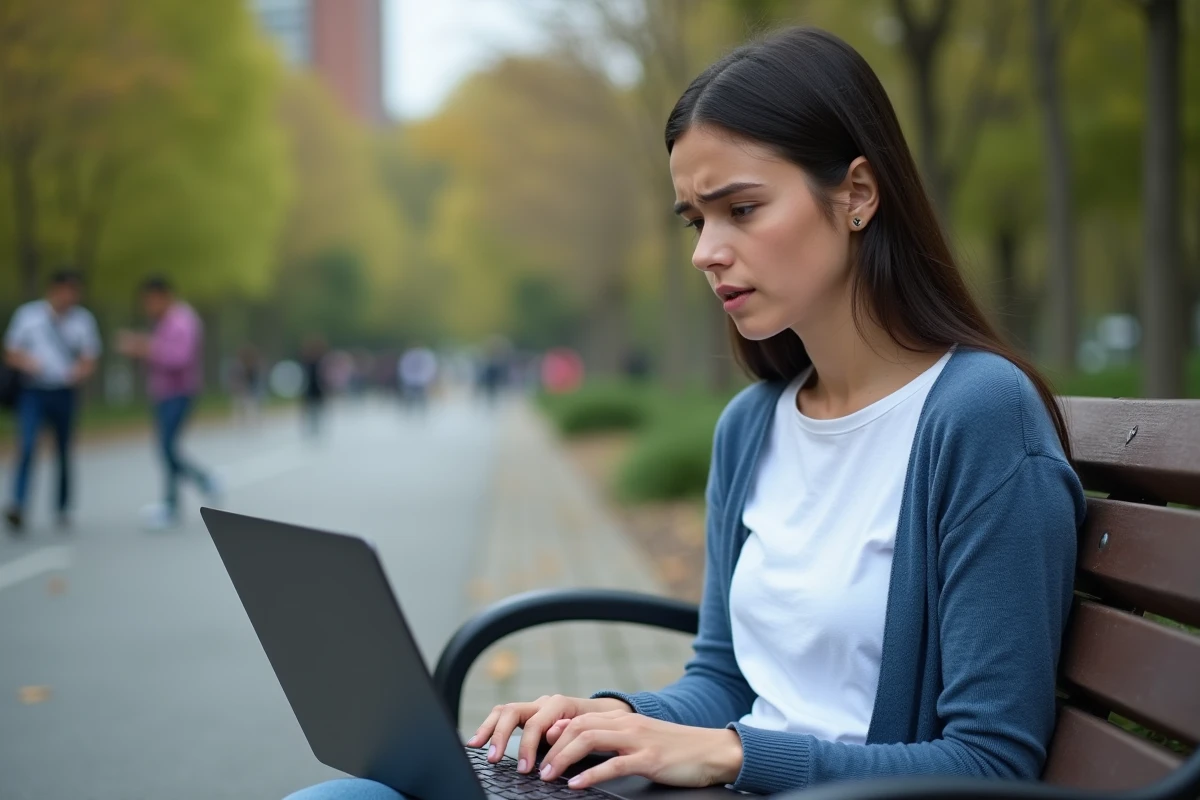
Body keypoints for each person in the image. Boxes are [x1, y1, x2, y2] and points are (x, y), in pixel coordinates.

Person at [286, 27, 1085, 799]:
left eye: (740, 209)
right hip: (726, 786)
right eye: (696, 220)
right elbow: (726, 679)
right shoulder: (753, 425)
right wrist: (610, 720)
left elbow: (989, 763)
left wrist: (729, 755)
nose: (706, 251)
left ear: (858, 195)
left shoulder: (980, 418)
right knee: (352, 794)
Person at [118, 276, 220, 530]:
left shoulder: (182, 321)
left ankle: (198, 484)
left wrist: (145, 348)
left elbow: (180, 358)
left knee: (166, 447)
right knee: (167, 448)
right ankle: (180, 498)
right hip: (163, 393)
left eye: (150, 300)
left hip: (180, 392)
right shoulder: (163, 322)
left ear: (163, 296)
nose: (148, 306)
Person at [3, 269, 101, 533]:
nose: (70, 296)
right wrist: (29, 362)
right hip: (33, 390)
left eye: (75, 291)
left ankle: (62, 507)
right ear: (53, 290)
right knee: (27, 445)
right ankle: (18, 505)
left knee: (63, 450)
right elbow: (11, 351)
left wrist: (79, 371)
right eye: (66, 290)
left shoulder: (83, 320)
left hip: (64, 391)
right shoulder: (29, 316)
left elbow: (90, 357)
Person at [299, 335, 328, 438]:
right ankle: (310, 428)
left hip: (317, 389)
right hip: (308, 388)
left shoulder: (321, 361)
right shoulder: (305, 362)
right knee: (309, 410)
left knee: (317, 409)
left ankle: (316, 427)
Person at [397, 345, 438, 415]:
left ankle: (421, 414)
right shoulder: (410, 355)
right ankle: (410, 413)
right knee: (411, 398)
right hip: (413, 380)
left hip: (420, 381)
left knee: (420, 399)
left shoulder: (424, 356)